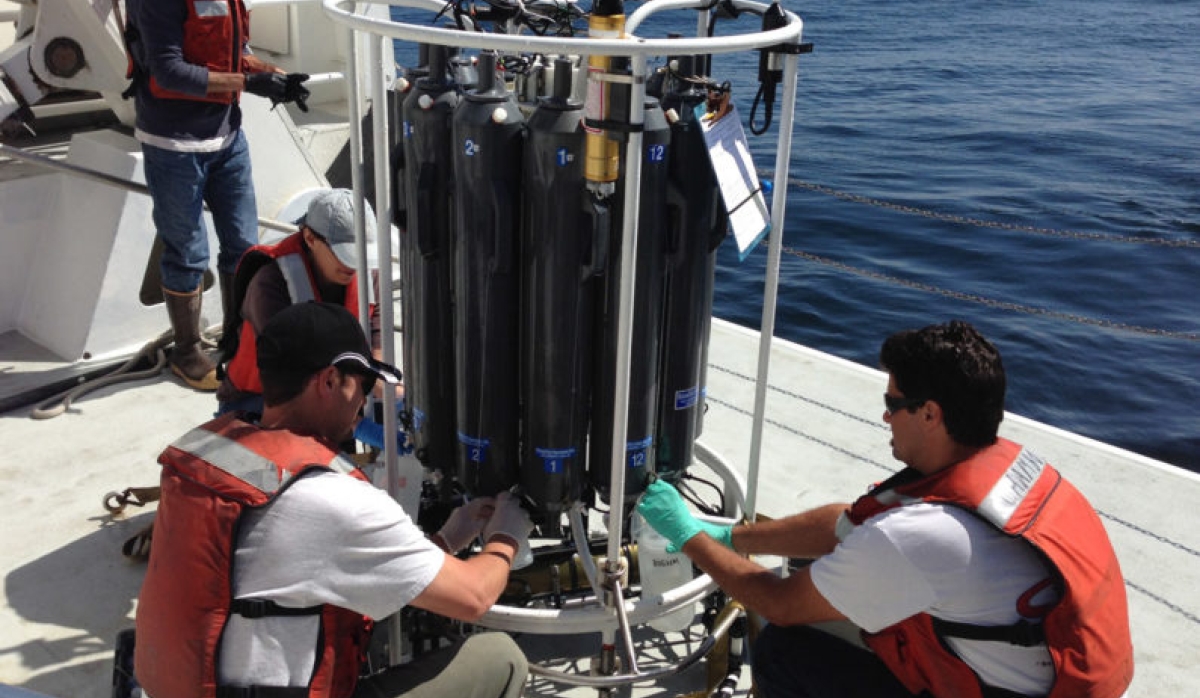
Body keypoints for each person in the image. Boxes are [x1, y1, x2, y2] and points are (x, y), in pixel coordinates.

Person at [637, 320, 1133, 698]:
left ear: (930, 414)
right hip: (1046, 672)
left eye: (892, 402)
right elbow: (848, 523)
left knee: (785, 652)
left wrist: (687, 536)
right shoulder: (1005, 469)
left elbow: (781, 604)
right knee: (832, 581)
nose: (884, 415)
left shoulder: (924, 536)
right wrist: (733, 537)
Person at [135, 301, 530, 698]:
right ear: (328, 381)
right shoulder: (331, 498)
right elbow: (474, 597)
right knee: (499, 656)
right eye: (361, 384)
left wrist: (447, 539)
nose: (363, 401)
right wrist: (507, 535)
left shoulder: (211, 452)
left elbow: (309, 559)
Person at [124, 0, 311, 391]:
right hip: (174, 144)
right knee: (187, 251)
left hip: (227, 138)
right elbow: (169, 72)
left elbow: (230, 53)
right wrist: (251, 83)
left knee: (244, 246)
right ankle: (187, 352)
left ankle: (238, 339)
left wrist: (272, 76)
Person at [218, 188, 383, 416]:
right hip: (261, 399)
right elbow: (290, 366)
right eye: (345, 253)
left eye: (361, 254)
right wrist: (352, 423)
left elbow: (378, 326)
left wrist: (378, 376)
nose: (354, 265)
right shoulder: (269, 283)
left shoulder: (368, 273)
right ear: (310, 238)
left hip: (333, 387)